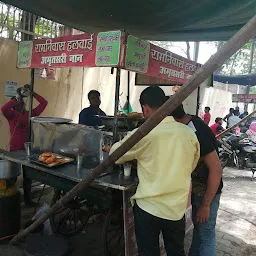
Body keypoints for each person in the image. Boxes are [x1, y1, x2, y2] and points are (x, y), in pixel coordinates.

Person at [110, 86, 200, 256]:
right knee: (176, 252)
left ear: (145, 108)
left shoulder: (144, 134)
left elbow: (115, 154)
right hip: (175, 210)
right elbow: (191, 166)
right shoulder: (188, 134)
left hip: (148, 209)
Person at [171, 104, 223, 256]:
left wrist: (206, 205)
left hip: (208, 191)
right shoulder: (191, 123)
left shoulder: (196, 131)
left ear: (174, 119)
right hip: (198, 189)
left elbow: (216, 170)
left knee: (206, 234)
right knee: (199, 229)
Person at [1, 87, 48, 206]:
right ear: (15, 105)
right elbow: (3, 108)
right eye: (19, 104)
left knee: (28, 176)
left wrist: (33, 93)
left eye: (22, 103)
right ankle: (8, 200)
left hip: (28, 149)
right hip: (15, 149)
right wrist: (17, 98)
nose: (22, 105)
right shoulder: (11, 115)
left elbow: (44, 103)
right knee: (12, 176)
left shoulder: (29, 114)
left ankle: (28, 200)